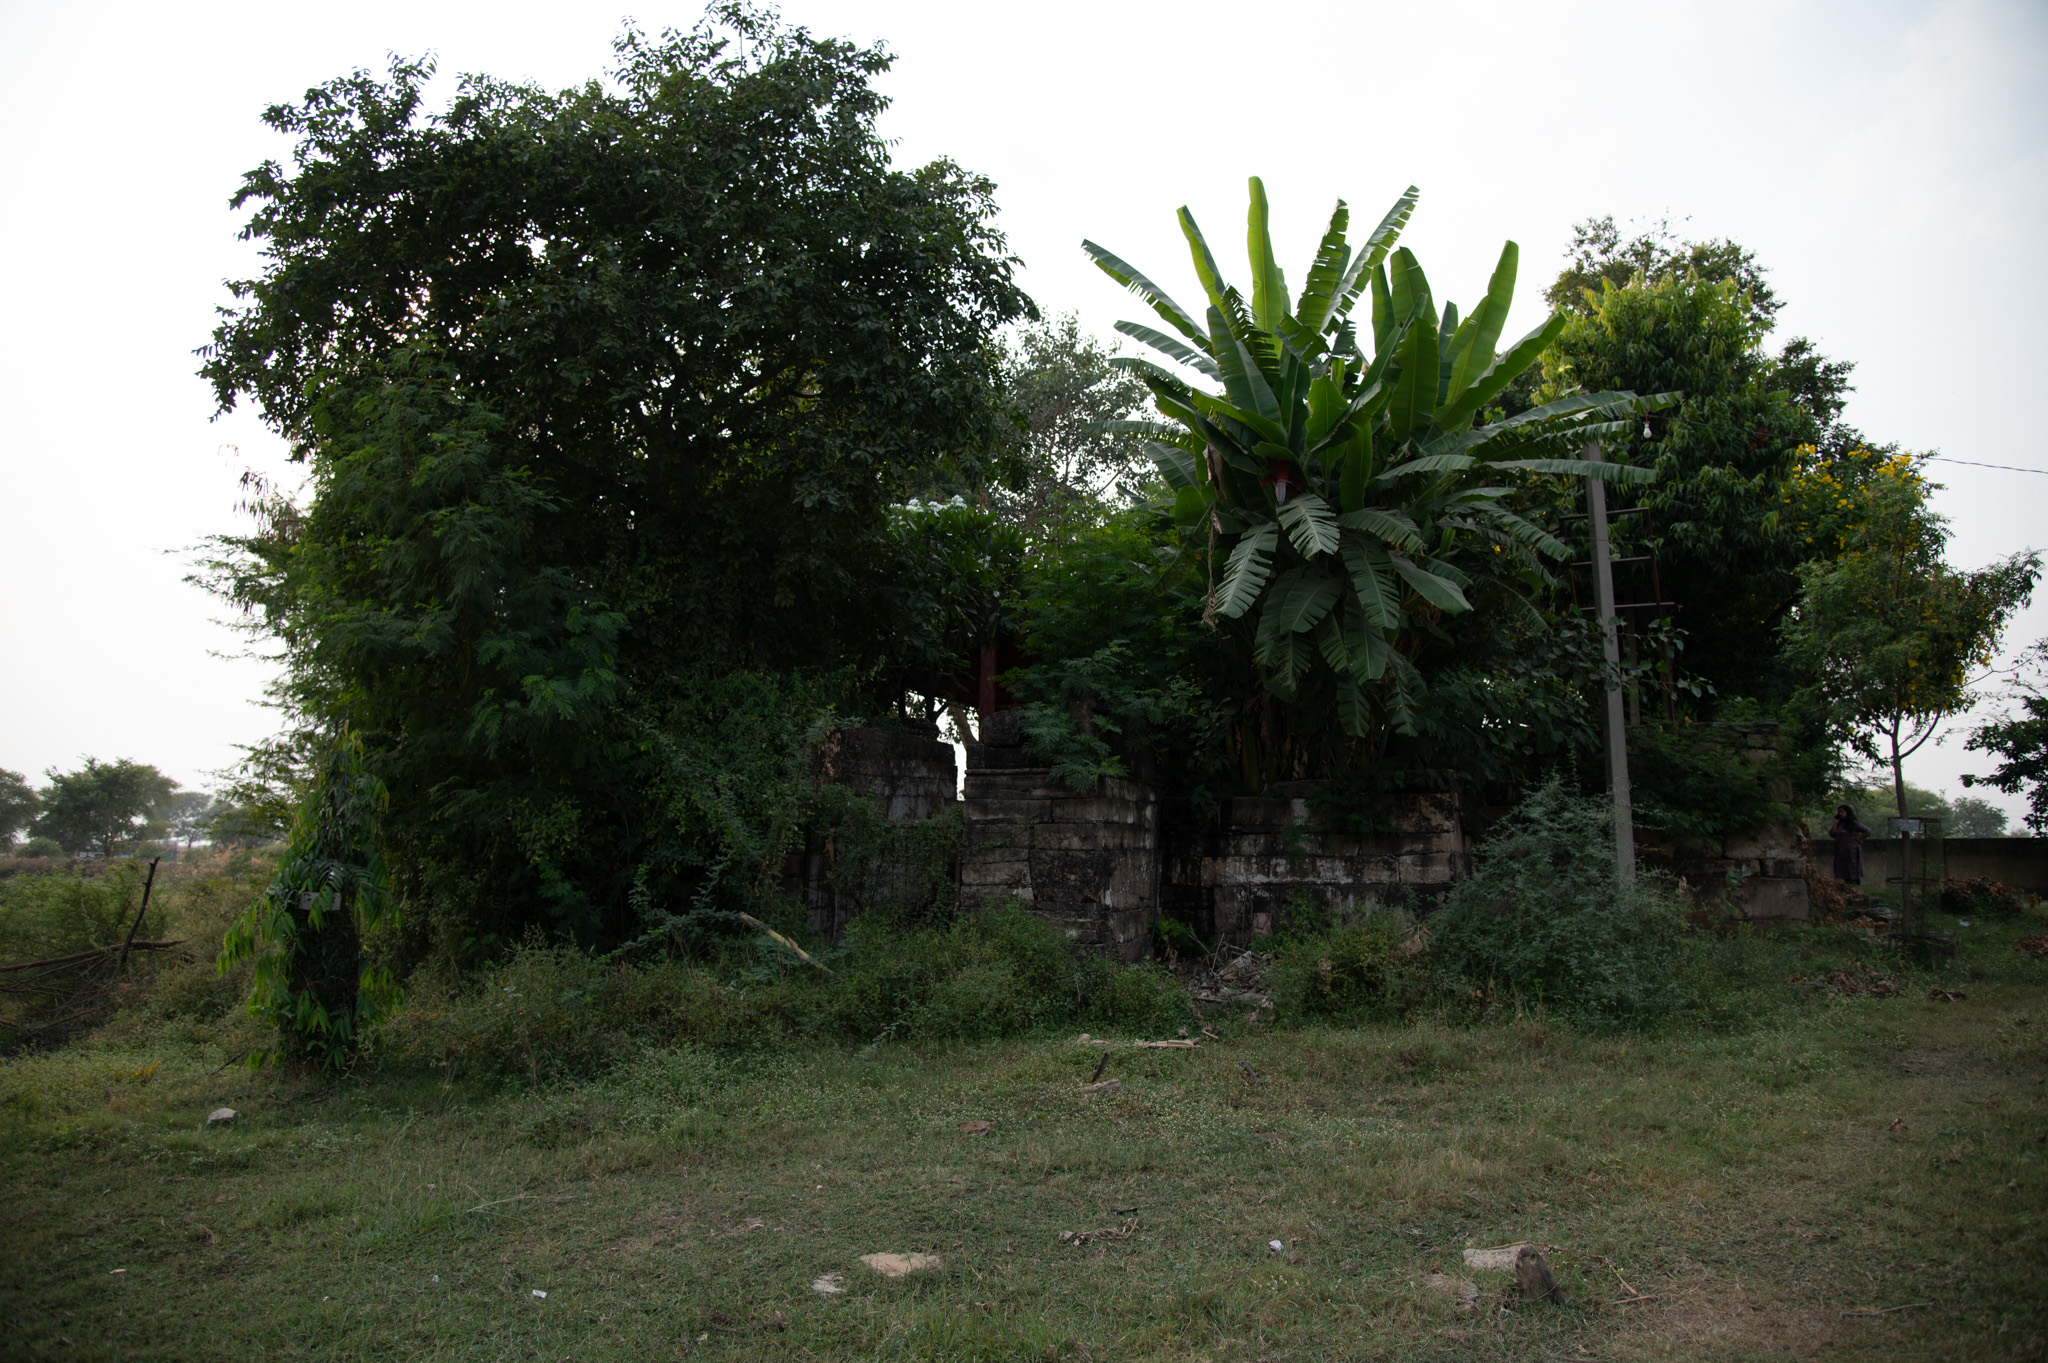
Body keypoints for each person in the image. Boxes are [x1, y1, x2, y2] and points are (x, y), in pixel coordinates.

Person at [1829, 804, 1872, 885]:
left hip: (1852, 850)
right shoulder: (1839, 824)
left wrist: (1860, 838)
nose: (1840, 813)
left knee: (1852, 869)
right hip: (1841, 850)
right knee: (1842, 869)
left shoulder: (1854, 823)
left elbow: (1867, 831)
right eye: (1839, 812)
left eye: (1842, 812)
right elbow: (1832, 834)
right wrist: (1835, 823)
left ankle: (1855, 884)